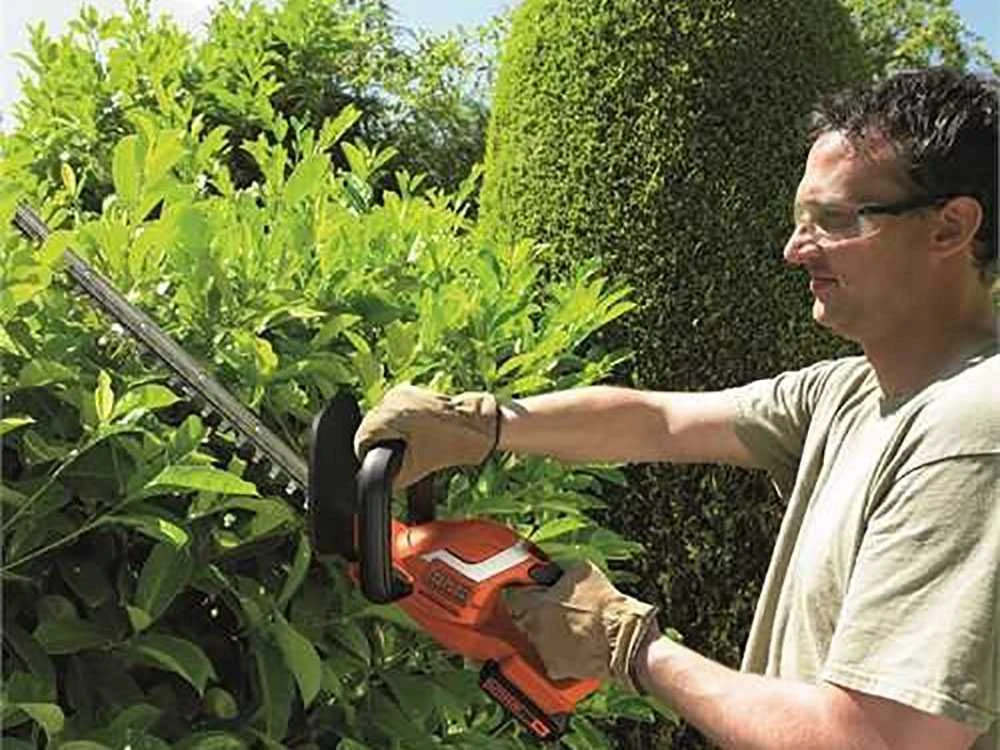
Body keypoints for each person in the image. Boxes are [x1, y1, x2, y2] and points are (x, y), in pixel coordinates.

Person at [354, 67, 998, 749]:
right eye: (799, 221)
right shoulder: (848, 393)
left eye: (835, 220)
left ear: (949, 227)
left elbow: (875, 742)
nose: (794, 251)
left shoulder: (971, 430)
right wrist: (483, 423)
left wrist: (631, 648)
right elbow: (656, 421)